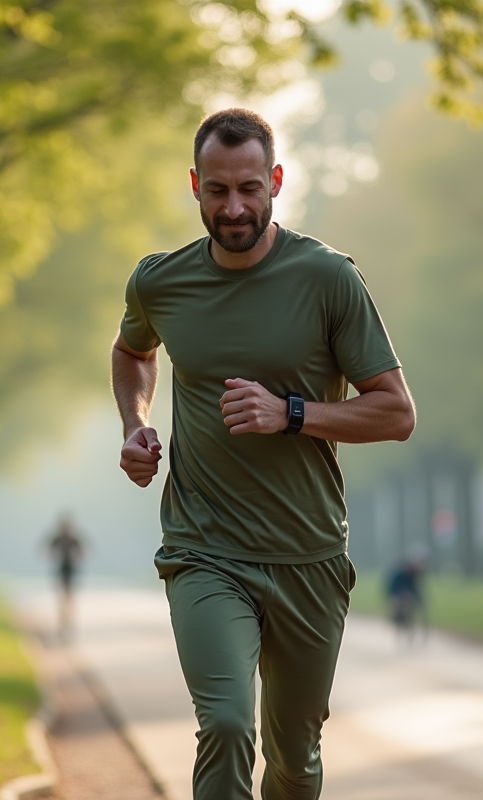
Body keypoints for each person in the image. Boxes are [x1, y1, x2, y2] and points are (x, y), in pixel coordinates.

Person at [110, 108, 415, 800]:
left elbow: (397, 412)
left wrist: (292, 413)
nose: (234, 207)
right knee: (223, 723)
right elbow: (133, 350)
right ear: (194, 185)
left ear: (276, 180)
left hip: (307, 551)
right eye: (217, 191)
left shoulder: (329, 278)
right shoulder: (160, 282)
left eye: (250, 188)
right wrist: (135, 423)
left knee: (295, 758)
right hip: (205, 547)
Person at [46, 514, 84, 640]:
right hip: (61, 571)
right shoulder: (57, 539)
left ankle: (70, 622)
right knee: (61, 598)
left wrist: (76, 555)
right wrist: (55, 554)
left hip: (71, 571)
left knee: (70, 598)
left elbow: (82, 553)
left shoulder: (74, 540)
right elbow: (49, 552)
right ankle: (62, 623)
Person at [386, 556, 427, 646]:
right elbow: (392, 588)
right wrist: (400, 595)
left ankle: (410, 625)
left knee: (411, 606)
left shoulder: (412, 576)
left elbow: (415, 589)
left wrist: (420, 599)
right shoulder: (399, 575)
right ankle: (397, 618)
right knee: (398, 606)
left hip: (409, 596)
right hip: (397, 595)